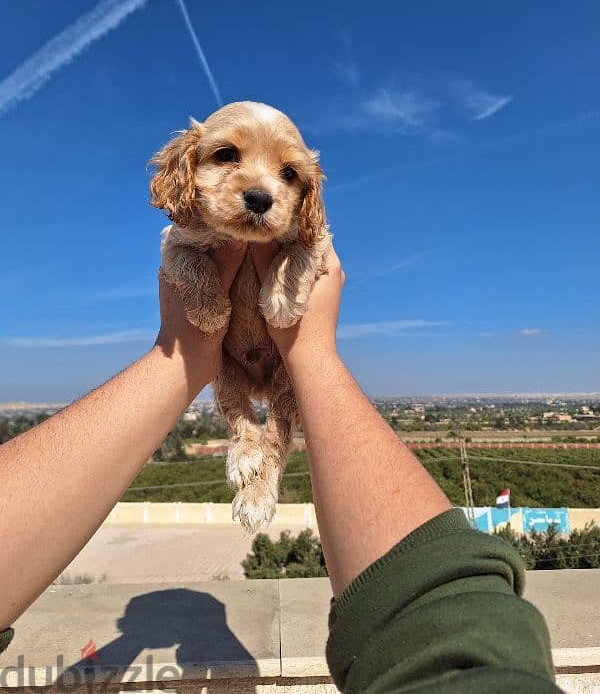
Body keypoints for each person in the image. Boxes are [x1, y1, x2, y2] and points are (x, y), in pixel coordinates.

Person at [0, 243, 561, 692]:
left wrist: (198, 352)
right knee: (242, 408)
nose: (258, 185)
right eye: (226, 157)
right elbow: (443, 630)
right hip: (238, 362)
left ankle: (266, 459)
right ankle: (253, 451)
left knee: (281, 415)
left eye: (288, 173)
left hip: (252, 354)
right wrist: (308, 349)